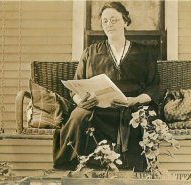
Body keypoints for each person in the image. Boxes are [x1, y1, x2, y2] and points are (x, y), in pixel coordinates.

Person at [52, 1, 160, 171]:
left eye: (114, 20)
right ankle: (68, 167)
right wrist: (80, 100)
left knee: (139, 120)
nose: (109, 25)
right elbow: (76, 86)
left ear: (125, 21)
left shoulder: (144, 53)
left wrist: (134, 100)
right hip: (97, 107)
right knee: (79, 115)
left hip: (131, 107)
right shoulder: (91, 52)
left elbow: (154, 87)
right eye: (105, 21)